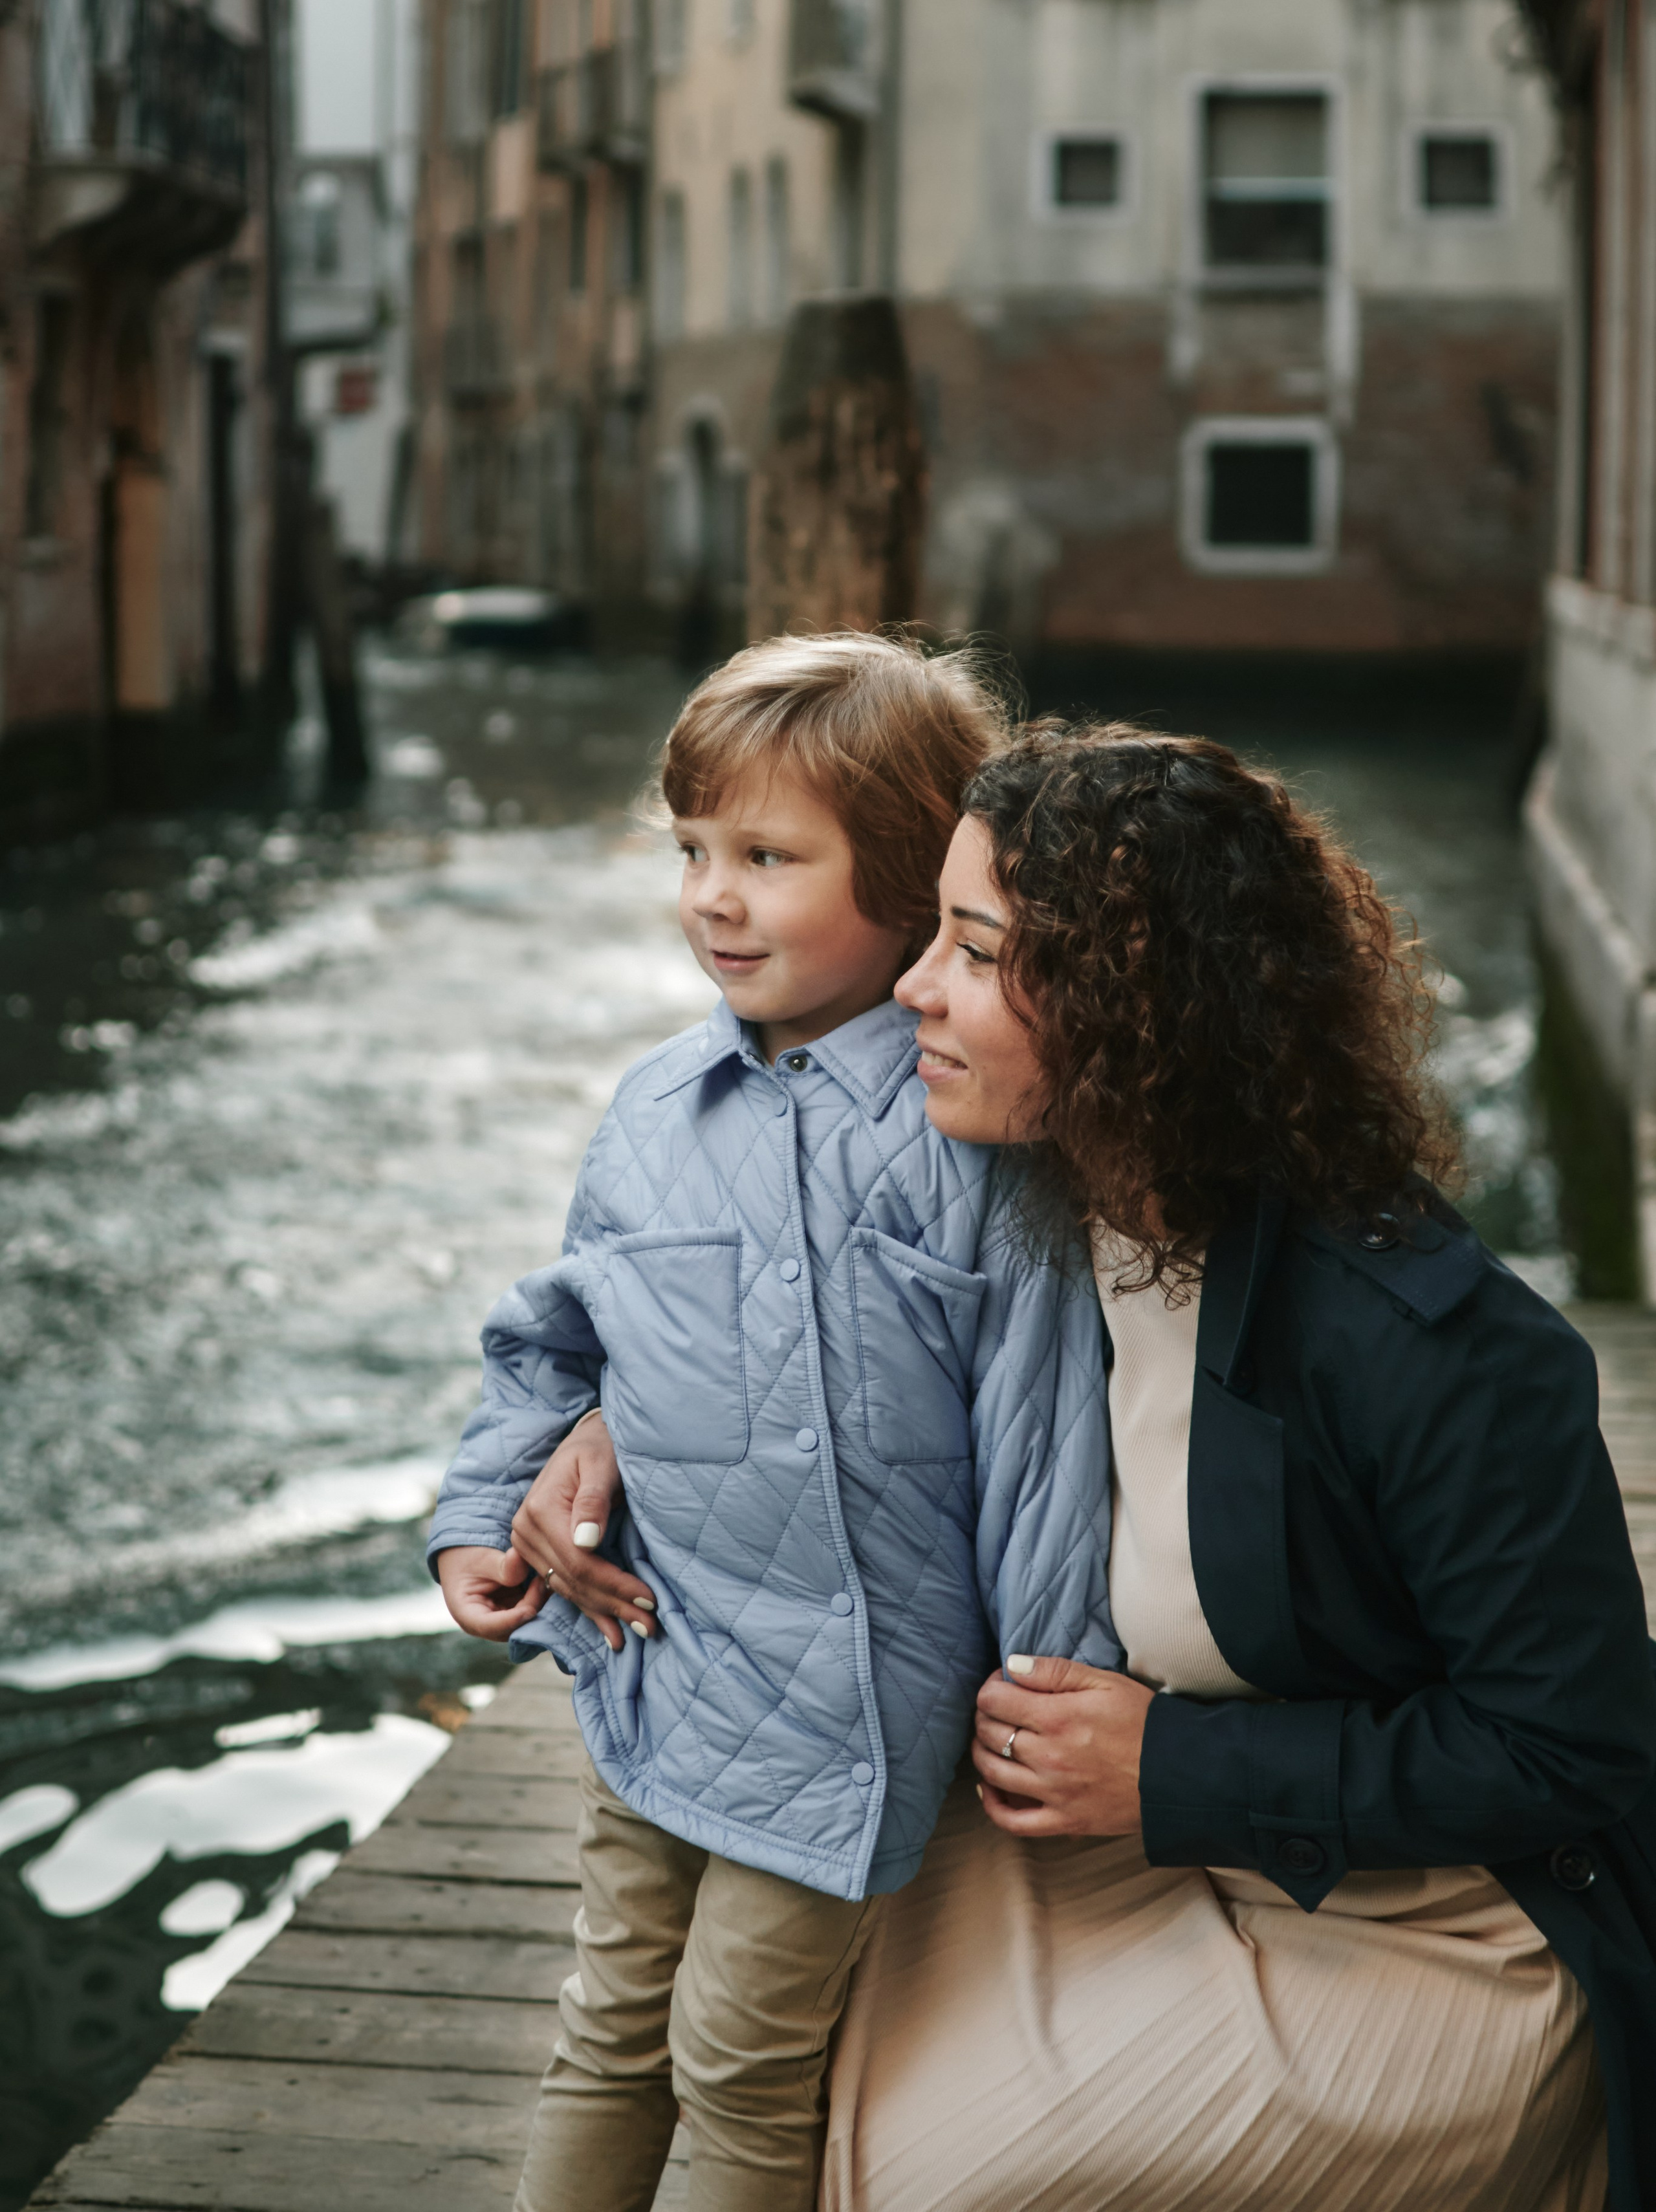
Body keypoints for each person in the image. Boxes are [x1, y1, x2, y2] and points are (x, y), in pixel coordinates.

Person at [541, 721, 1656, 2212]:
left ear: (1134, 1006)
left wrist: (1169, 1768)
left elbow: (1567, 1749)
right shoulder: (1023, 1197)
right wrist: (607, 1426)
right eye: (930, 933)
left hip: (1427, 1920)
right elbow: (776, 1311)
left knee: (931, 2182)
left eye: (975, 951)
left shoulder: (1425, 1345)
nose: (913, 986)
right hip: (1128, 1838)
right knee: (793, 2049)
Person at [426, 639, 1117, 2212]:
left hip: (844, 1709)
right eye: (691, 852)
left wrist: (1050, 1682)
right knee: (606, 2027)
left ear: (908, 876)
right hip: (651, 1659)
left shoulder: (967, 1130)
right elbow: (557, 1338)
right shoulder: (652, 1113)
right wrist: (483, 1508)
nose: (709, 900)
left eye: (765, 858)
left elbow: (1041, 1437)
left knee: (740, 2066)